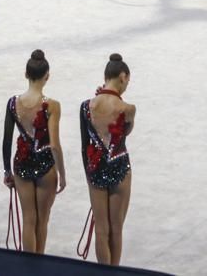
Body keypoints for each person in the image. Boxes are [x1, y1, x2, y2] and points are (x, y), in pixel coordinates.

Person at [1, 49, 65, 254]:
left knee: (29, 219)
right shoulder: (52, 105)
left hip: (22, 164)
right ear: (47, 76)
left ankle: (29, 266)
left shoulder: (13, 103)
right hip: (45, 165)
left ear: (26, 74)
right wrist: (62, 174)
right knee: (42, 220)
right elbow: (54, 144)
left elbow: (7, 140)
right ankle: (39, 264)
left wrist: (6, 171)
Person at [81, 53, 136, 265]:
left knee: (101, 230)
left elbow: (84, 145)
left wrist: (89, 174)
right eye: (127, 81)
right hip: (120, 167)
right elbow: (124, 133)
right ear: (122, 76)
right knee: (116, 229)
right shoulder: (128, 109)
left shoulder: (86, 107)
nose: (126, 86)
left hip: (95, 168)